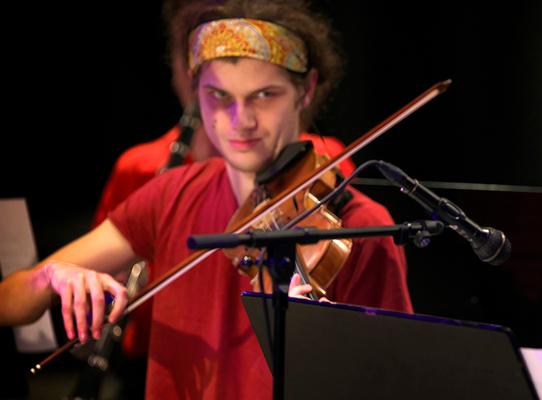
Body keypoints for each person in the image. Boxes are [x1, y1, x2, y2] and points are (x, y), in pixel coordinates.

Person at [0, 0, 411, 398]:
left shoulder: (361, 225)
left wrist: (315, 346)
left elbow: (392, 379)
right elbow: (9, 302)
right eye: (219, 96)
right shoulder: (169, 195)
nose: (241, 120)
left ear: (306, 90)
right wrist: (51, 276)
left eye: (265, 95)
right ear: (195, 93)